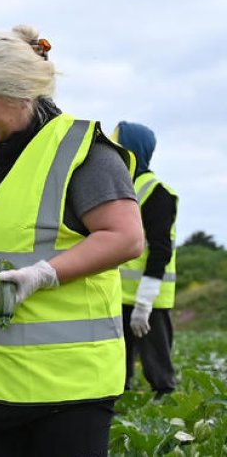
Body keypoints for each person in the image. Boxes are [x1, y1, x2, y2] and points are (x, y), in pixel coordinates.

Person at [0, 25, 144, 457]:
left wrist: (43, 274)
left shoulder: (86, 154)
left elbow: (125, 237)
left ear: (23, 93)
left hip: (65, 390)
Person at [114, 121, 178, 396]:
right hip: (118, 296)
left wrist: (144, 301)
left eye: (119, 144)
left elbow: (161, 249)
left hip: (147, 298)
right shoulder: (121, 186)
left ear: (133, 149)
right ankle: (123, 408)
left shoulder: (157, 192)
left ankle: (168, 409)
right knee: (118, 363)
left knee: (157, 365)